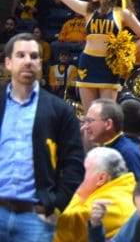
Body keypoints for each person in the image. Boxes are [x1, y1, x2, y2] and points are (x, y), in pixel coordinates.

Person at [0, 33, 84, 240]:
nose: (28, 61)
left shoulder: (60, 110)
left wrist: (55, 206)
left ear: (41, 63)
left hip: (35, 216)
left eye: (34, 56)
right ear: (8, 62)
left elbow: (74, 165)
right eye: (21, 55)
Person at [47, 0, 140, 111]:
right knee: (90, 114)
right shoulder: (87, 9)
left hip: (109, 67)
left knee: (107, 114)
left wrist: (124, 53)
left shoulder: (122, 13)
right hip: (88, 63)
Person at [56, 147, 136, 242]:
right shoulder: (126, 187)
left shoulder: (104, 205)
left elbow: (60, 228)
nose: (78, 176)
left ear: (101, 178)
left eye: (83, 171)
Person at [81, 99, 140, 180]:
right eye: (85, 121)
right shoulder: (99, 148)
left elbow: (136, 190)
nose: (85, 127)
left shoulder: (128, 153)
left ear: (108, 124)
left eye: (90, 121)